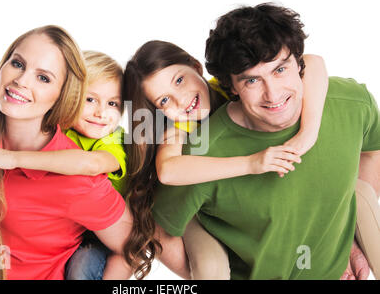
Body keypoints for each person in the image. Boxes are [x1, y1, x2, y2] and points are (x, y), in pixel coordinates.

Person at [151, 3, 380, 279]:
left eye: (280, 70)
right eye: (252, 81)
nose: (272, 94)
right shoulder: (202, 154)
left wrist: (348, 242)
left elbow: (371, 152)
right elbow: (160, 229)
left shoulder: (352, 103)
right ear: (230, 86)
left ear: (299, 63)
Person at [0, 25, 133, 280]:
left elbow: (132, 248)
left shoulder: (78, 180)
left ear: (64, 95)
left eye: (43, 77)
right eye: (17, 64)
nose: (21, 80)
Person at [123, 39, 329, 279]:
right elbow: (169, 171)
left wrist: (307, 135)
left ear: (196, 66)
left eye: (179, 80)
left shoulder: (228, 88)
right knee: (211, 268)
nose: (181, 100)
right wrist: (253, 163)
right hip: (194, 211)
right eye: (164, 101)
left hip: (238, 200)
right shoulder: (179, 129)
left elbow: (313, 62)